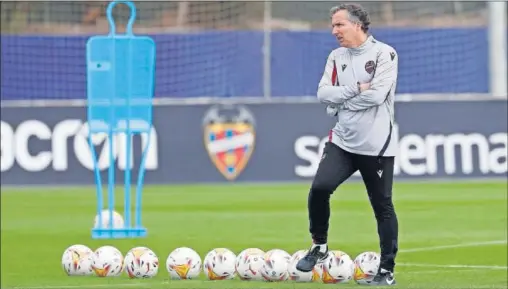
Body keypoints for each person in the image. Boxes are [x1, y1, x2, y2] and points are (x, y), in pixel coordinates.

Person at [295, 3, 399, 286]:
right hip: (342, 141)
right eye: (333, 25)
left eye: (339, 25)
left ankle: (386, 271)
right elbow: (322, 94)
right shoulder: (336, 56)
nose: (334, 31)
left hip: (376, 145)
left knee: (382, 206)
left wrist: (341, 102)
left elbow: (377, 96)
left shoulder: (384, 54)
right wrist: (354, 89)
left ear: (357, 25)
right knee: (319, 189)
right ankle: (319, 246)